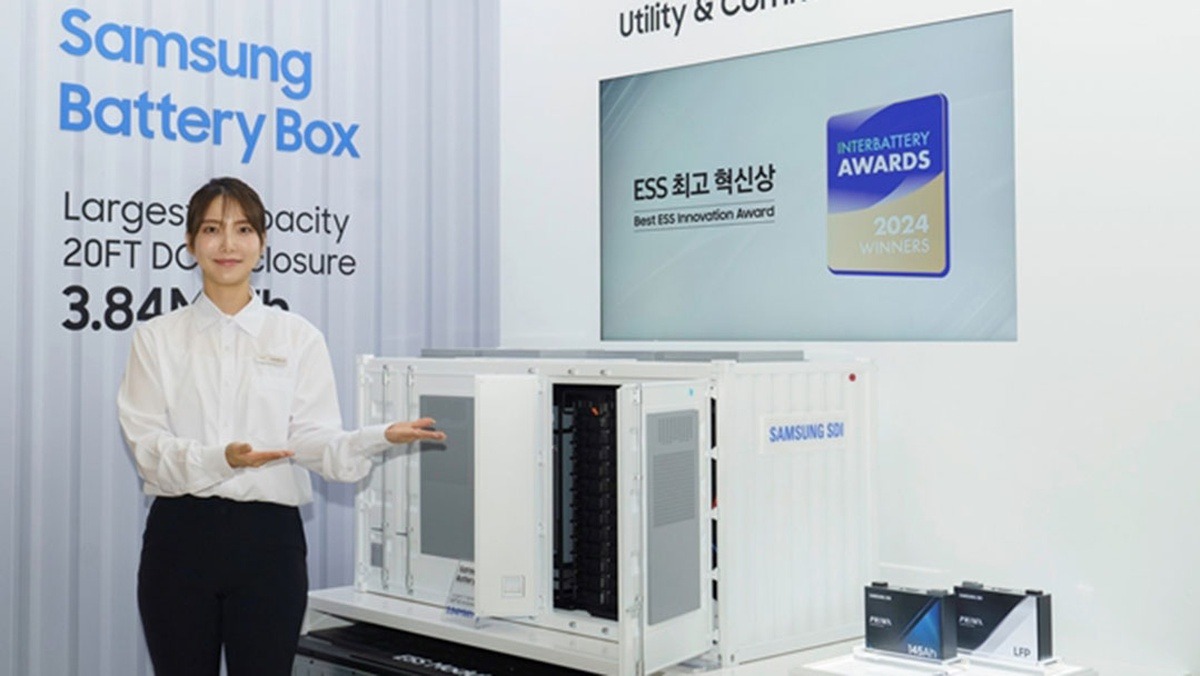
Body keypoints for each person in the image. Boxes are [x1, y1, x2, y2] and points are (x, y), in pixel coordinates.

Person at [116, 177, 445, 676]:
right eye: (212, 229)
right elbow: (148, 450)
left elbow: (313, 443)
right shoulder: (156, 338)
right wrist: (222, 458)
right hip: (180, 540)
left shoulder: (298, 337)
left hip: (269, 547)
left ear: (262, 243)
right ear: (190, 243)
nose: (228, 244)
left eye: (243, 229)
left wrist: (376, 438)